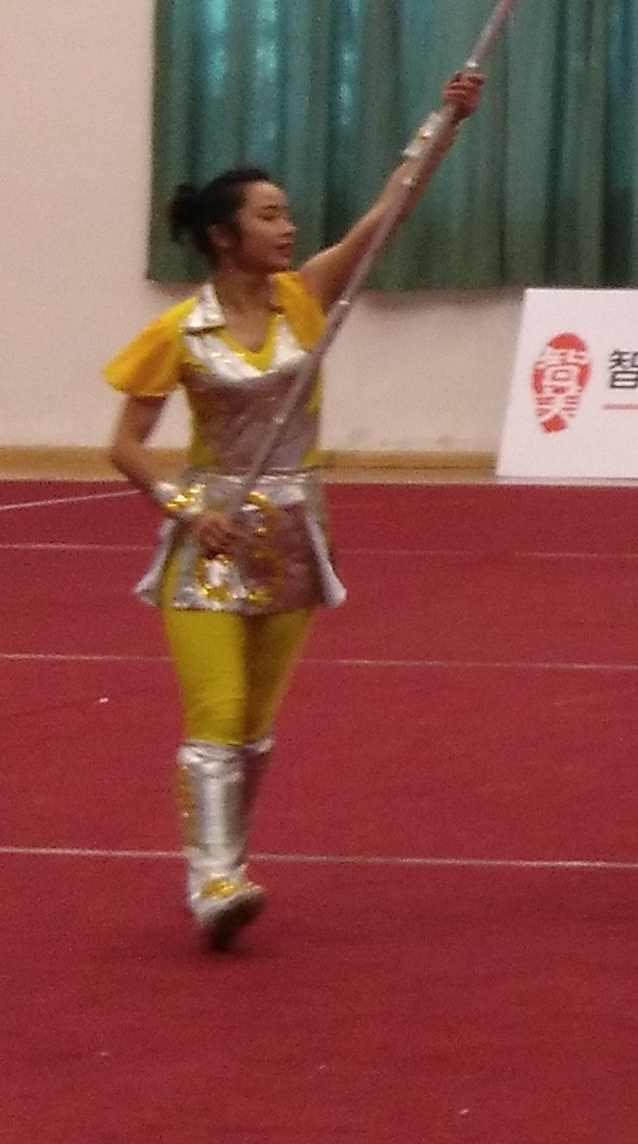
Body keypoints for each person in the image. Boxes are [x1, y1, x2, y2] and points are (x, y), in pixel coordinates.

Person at [105, 66, 484, 949]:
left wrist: (447, 119)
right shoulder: (177, 333)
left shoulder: (306, 300)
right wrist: (184, 506)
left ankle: (229, 865)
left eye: (287, 215)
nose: (288, 228)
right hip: (211, 541)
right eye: (269, 216)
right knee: (217, 713)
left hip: (291, 535)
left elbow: (387, 211)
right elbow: (125, 445)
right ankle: (211, 880)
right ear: (222, 235)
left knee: (257, 729)